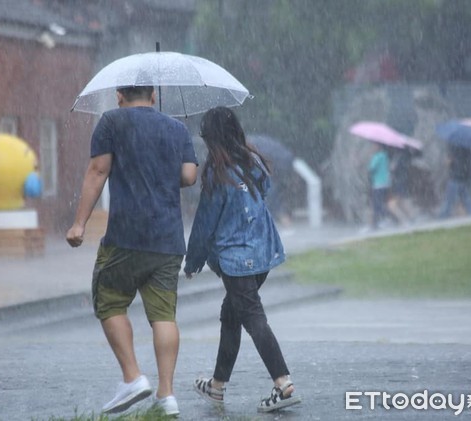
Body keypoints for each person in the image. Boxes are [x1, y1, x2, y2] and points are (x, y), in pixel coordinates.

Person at [65, 85, 198, 417]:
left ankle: (132, 378)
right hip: (167, 239)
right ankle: (167, 396)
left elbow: (98, 170)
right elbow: (189, 176)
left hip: (126, 235)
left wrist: (79, 223)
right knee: (164, 315)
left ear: (120, 95)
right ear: (153, 97)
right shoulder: (177, 128)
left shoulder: (112, 122)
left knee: (108, 298)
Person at [183, 107, 302, 413]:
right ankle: (217, 387)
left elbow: (205, 223)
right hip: (263, 253)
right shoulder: (253, 161)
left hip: (237, 260)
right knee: (232, 315)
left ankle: (283, 384)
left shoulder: (216, 172)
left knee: (252, 318)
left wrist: (193, 261)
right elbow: (264, 191)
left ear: (210, 138)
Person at [438, 145, 471, 218]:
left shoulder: (453, 147)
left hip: (455, 177)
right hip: (463, 177)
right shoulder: (466, 147)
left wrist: (448, 162)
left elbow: (449, 162)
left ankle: (443, 216)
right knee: (465, 198)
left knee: (449, 200)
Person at [368, 142, 399, 229]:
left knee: (377, 205)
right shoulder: (385, 156)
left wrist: (371, 159)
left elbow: (371, 169)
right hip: (386, 183)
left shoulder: (377, 157)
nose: (372, 147)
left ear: (378, 146)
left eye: (373, 145)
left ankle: (392, 219)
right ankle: (375, 224)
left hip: (378, 184)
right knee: (378, 204)